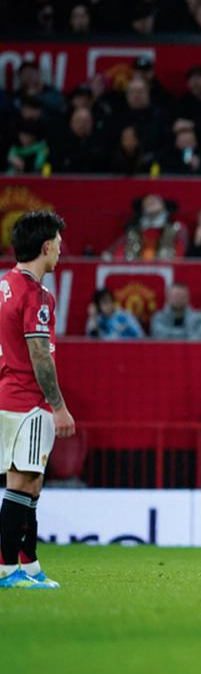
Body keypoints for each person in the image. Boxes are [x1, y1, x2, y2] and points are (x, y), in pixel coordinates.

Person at [0, 211, 75, 590]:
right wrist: (58, 406)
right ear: (46, 247)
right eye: (59, 244)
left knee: (31, 483)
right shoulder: (35, 294)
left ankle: (29, 565)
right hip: (28, 401)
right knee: (22, 482)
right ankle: (5, 569)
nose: (61, 250)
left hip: (8, 395)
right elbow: (40, 354)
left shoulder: (4, 286)